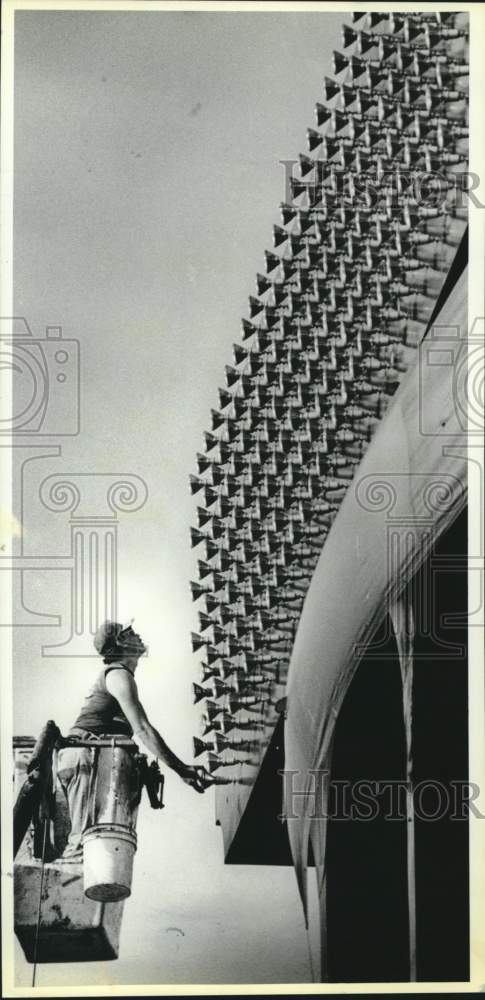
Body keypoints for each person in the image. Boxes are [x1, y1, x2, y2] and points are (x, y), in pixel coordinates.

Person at [56, 619, 210, 861]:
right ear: (120, 643)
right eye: (129, 632)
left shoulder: (121, 675)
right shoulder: (117, 675)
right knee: (81, 851)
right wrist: (183, 770)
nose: (136, 634)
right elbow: (143, 729)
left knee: (97, 850)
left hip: (90, 758)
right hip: (85, 757)